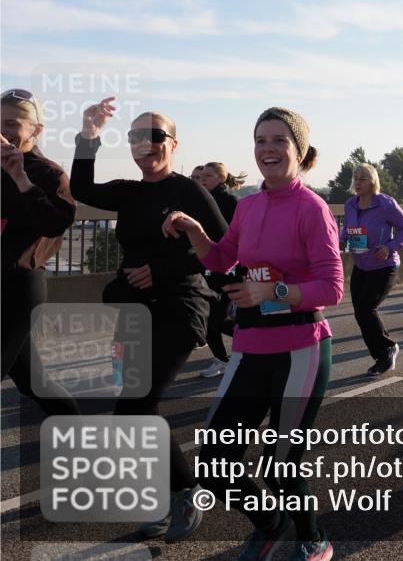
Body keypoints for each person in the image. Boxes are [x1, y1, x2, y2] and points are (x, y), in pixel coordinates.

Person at [164, 106, 342, 561]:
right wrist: (196, 230)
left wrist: (274, 290)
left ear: (298, 151)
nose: (268, 149)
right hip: (250, 348)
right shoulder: (248, 205)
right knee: (213, 461)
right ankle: (268, 522)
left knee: (281, 467)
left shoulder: (313, 208)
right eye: (261, 140)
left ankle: (313, 539)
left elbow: (333, 287)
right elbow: (221, 259)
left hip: (300, 350)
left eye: (279, 140)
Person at [71, 96, 227, 542]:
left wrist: (163, 269)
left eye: (155, 135)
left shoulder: (189, 191)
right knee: (130, 411)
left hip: (181, 305)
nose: (145, 142)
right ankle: (167, 497)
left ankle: (186, 493)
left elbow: (222, 249)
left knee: (138, 402)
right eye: (137, 135)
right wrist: (88, 135)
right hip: (133, 308)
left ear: (174, 144)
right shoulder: (131, 191)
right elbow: (83, 190)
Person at [1, 89, 80, 417]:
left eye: (12, 123)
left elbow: (55, 224)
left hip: (18, 287)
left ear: (36, 129)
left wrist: (20, 177)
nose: (3, 132)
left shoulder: (47, 172)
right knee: (35, 382)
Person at [343, 163, 403, 374]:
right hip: (361, 266)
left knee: (366, 308)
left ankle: (387, 349)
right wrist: (338, 243)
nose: (357, 182)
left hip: (384, 266)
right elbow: (347, 231)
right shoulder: (350, 205)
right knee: (360, 313)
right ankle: (383, 354)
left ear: (373, 181)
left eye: (362, 178)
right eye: (355, 178)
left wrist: (390, 246)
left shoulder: (385, 204)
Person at [198, 161, 247, 377]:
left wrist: (242, 268)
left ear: (220, 177)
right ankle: (223, 357)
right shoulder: (202, 200)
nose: (203, 179)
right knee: (211, 319)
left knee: (213, 319)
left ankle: (251, 342)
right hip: (208, 268)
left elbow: (241, 236)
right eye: (201, 176)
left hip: (229, 269)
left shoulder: (230, 201)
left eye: (208, 175)